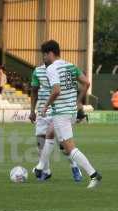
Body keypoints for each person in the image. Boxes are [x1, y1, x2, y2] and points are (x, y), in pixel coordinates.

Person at [36, 40, 101, 188]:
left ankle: (94, 175)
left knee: (69, 148)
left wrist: (46, 105)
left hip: (61, 113)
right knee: (50, 133)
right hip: (71, 111)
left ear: (50, 53)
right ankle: (40, 167)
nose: (43, 59)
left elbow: (56, 90)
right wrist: (78, 101)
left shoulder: (51, 69)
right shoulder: (70, 66)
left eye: (44, 55)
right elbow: (86, 83)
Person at [30, 62, 82, 182]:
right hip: (42, 112)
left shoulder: (61, 69)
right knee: (40, 142)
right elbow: (34, 91)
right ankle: (46, 171)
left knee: (63, 144)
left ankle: (74, 167)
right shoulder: (38, 71)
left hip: (57, 111)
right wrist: (32, 111)